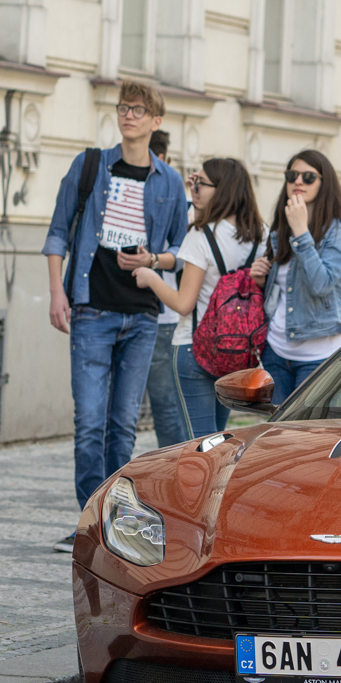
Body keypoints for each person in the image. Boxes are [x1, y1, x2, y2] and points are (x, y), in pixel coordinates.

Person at [43, 81, 188, 553]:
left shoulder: (168, 181)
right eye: (124, 108)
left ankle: (109, 520)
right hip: (91, 308)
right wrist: (56, 294)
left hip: (142, 316)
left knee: (123, 424)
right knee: (89, 421)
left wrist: (152, 261)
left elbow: (180, 254)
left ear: (156, 121)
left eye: (139, 110)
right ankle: (90, 519)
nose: (129, 116)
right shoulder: (90, 166)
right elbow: (58, 233)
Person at [133, 157, 263, 437]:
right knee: (218, 440)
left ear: (223, 190)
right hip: (235, 352)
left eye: (201, 184)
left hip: (195, 349)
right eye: (193, 182)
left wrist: (151, 277)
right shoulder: (258, 237)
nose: (193, 189)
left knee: (200, 444)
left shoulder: (200, 236)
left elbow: (183, 303)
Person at [248, 149, 341, 405]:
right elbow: (284, 291)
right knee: (277, 435)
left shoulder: (337, 230)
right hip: (276, 353)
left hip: (320, 355)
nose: (298, 181)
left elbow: (321, 285)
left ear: (324, 184)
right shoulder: (280, 229)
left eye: (308, 177)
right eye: (292, 175)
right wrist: (262, 280)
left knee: (306, 436)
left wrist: (301, 232)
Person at [139, 129, 187, 448]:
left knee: (164, 406)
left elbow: (182, 255)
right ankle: (177, 471)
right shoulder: (176, 191)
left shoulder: (173, 191)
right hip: (162, 318)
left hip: (161, 316)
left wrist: (153, 262)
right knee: (166, 406)